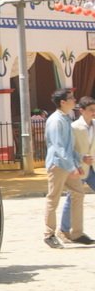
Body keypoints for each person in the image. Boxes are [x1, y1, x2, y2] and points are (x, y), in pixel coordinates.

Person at [43, 89, 93, 249]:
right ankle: (49, 234)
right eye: (71, 98)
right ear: (63, 102)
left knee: (78, 193)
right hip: (58, 165)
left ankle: (76, 233)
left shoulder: (66, 118)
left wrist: (80, 159)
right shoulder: (56, 120)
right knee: (53, 198)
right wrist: (72, 167)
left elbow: (69, 146)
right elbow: (58, 147)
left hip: (68, 164)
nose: (74, 100)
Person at [58, 96, 95, 245]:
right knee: (72, 197)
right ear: (82, 111)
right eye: (91, 110)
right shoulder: (73, 127)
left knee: (72, 197)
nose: (94, 112)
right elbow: (69, 148)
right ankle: (64, 230)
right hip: (78, 167)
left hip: (92, 168)